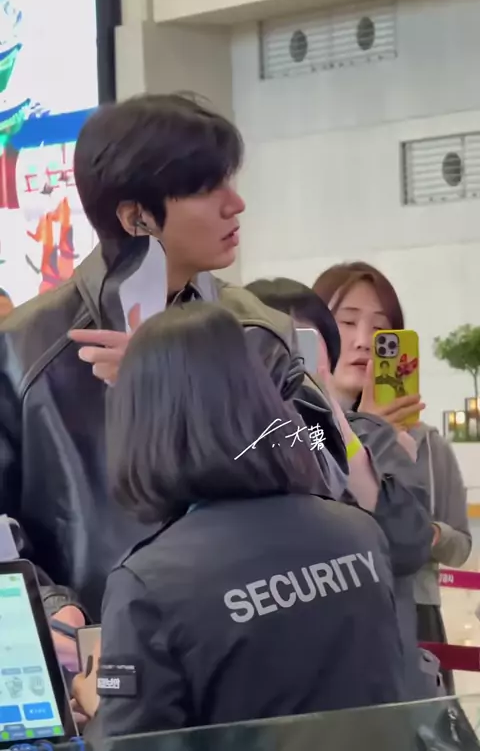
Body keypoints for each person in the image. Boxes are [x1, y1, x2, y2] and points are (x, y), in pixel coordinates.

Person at [0, 94, 349, 650]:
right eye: (208, 187)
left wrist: (199, 391)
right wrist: (46, 604)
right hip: (102, 655)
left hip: (257, 644)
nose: (236, 204)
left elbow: (328, 466)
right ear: (135, 216)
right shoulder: (25, 351)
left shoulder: (259, 331)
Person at [72, 303, 405, 737]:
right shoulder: (359, 533)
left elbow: (131, 744)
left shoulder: (147, 584)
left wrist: (101, 707)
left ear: (140, 423)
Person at [246, 277, 440, 699]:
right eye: (348, 322)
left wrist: (340, 422)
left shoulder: (377, 439)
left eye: (306, 348)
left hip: (376, 689)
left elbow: (407, 542)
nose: (363, 341)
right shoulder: (235, 450)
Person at [313, 261, 471, 695]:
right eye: (347, 322)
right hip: (328, 618)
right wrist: (366, 432)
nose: (364, 341)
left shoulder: (426, 441)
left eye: (381, 329)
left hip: (415, 616)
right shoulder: (299, 434)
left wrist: (428, 534)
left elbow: (461, 544)